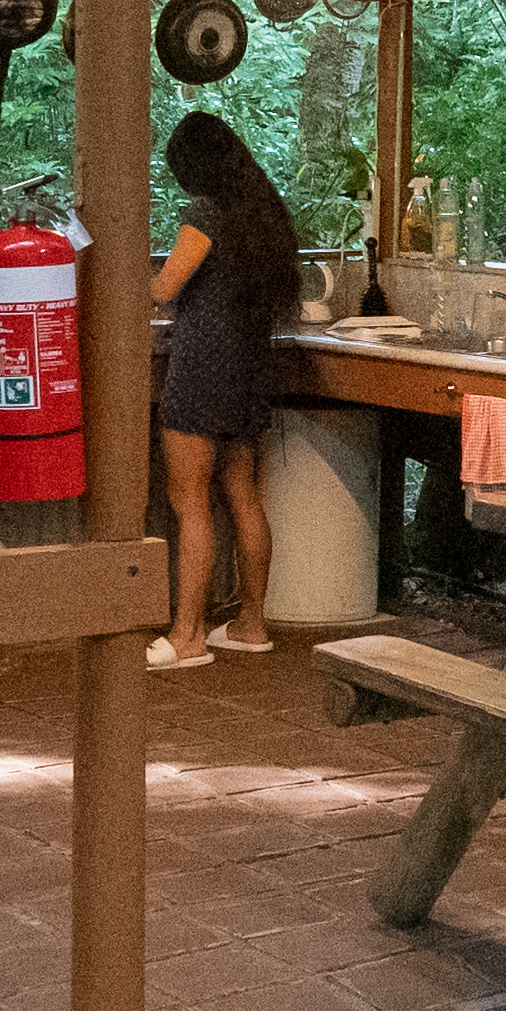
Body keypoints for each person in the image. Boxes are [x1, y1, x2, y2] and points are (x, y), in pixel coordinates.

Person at [148, 109, 301, 671]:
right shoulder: (261, 214)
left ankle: (187, 635)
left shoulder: (205, 213)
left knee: (189, 501)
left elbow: (165, 288)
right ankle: (251, 624)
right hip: (250, 368)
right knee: (244, 496)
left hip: (202, 368)